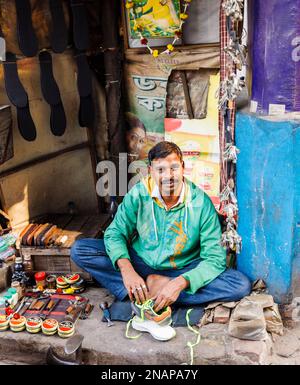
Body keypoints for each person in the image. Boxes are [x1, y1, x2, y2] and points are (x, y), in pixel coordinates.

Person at [71, 141, 251, 314]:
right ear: (150, 171)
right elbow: (115, 233)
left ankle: (151, 291)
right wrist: (127, 270)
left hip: (183, 268)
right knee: (81, 250)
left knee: (239, 285)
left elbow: (214, 259)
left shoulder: (201, 203)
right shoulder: (139, 194)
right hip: (141, 262)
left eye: (174, 168)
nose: (168, 175)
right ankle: (148, 288)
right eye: (160, 169)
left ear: (183, 167)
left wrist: (179, 283)